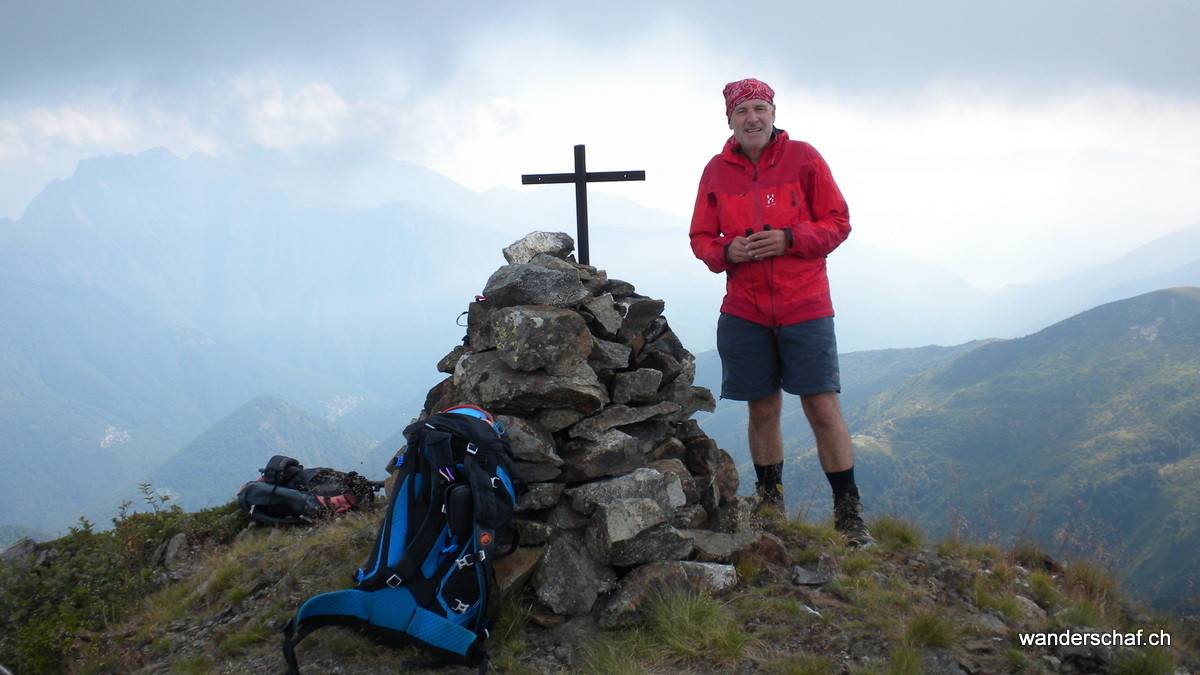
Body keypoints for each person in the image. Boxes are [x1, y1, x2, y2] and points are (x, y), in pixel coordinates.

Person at [689, 78, 873, 546]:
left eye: (760, 108)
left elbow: (838, 222)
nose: (752, 118)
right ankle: (772, 507)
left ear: (773, 112)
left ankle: (849, 516)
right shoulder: (716, 171)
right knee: (762, 408)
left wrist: (790, 239)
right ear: (728, 119)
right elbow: (701, 239)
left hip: (805, 304)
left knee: (822, 407)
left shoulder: (805, 157)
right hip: (745, 309)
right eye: (742, 111)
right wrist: (730, 253)